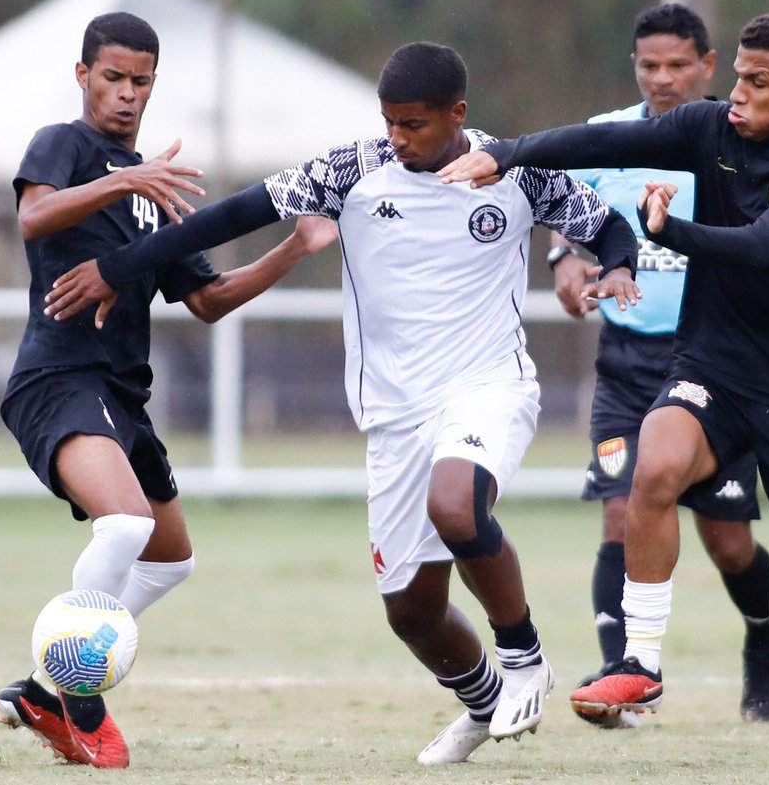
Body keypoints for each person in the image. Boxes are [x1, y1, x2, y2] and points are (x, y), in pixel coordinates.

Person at [40, 41, 640, 765]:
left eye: (413, 124)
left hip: (488, 386)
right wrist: (115, 267)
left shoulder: (513, 169)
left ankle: (523, 658)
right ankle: (483, 703)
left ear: (457, 115)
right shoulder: (350, 170)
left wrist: (619, 265)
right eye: (389, 121)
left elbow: (607, 225)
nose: (397, 137)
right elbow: (229, 218)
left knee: (457, 506)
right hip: (393, 416)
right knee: (411, 611)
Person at [439, 11, 769, 767]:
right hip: (712, 364)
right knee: (653, 465)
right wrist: (506, 155)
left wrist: (668, 230)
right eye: (738, 74)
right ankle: (639, 664)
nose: (736, 92)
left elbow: (761, 247)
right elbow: (601, 142)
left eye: (757, 81)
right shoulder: (709, 129)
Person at [0, 12, 336, 769]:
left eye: (139, 81)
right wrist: (124, 176)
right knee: (121, 527)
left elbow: (208, 300)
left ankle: (44, 693)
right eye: (111, 78)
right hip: (56, 378)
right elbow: (33, 216)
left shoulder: (154, 188)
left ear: (154, 84)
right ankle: (78, 695)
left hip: (122, 395)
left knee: (170, 558)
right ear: (82, 75)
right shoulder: (66, 145)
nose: (124, 94)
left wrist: (294, 246)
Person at [546, 3, 769, 729]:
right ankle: (628, 677)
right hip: (627, 364)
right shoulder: (606, 136)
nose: (662, 78)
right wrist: (564, 257)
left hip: (715, 365)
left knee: (727, 538)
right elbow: (564, 207)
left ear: (708, 67)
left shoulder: (739, 143)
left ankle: (762, 640)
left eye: (677, 65)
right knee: (620, 514)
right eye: (649, 65)